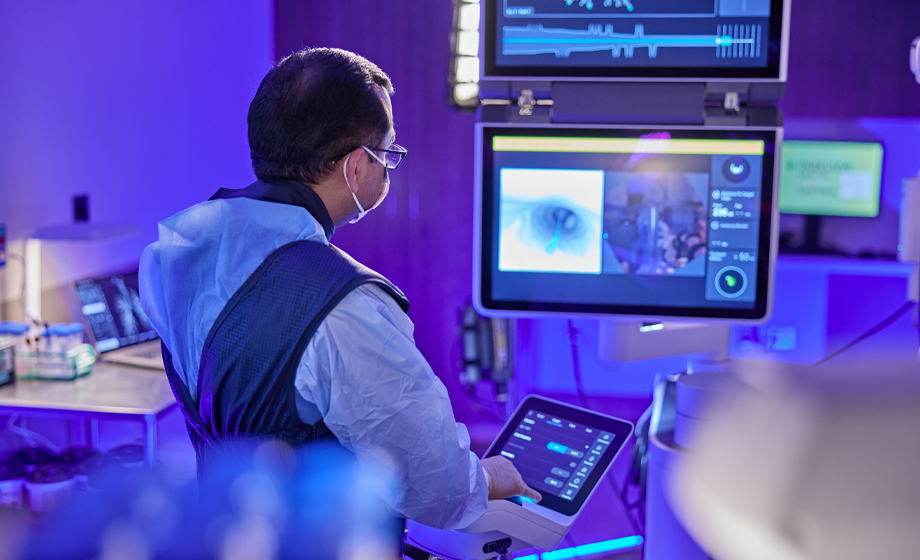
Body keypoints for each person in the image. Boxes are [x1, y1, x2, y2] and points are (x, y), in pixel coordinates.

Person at [139, 47, 540, 530]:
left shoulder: (174, 253)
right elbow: (435, 485)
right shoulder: (344, 306)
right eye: (387, 155)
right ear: (354, 168)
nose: (389, 169)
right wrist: (488, 475)